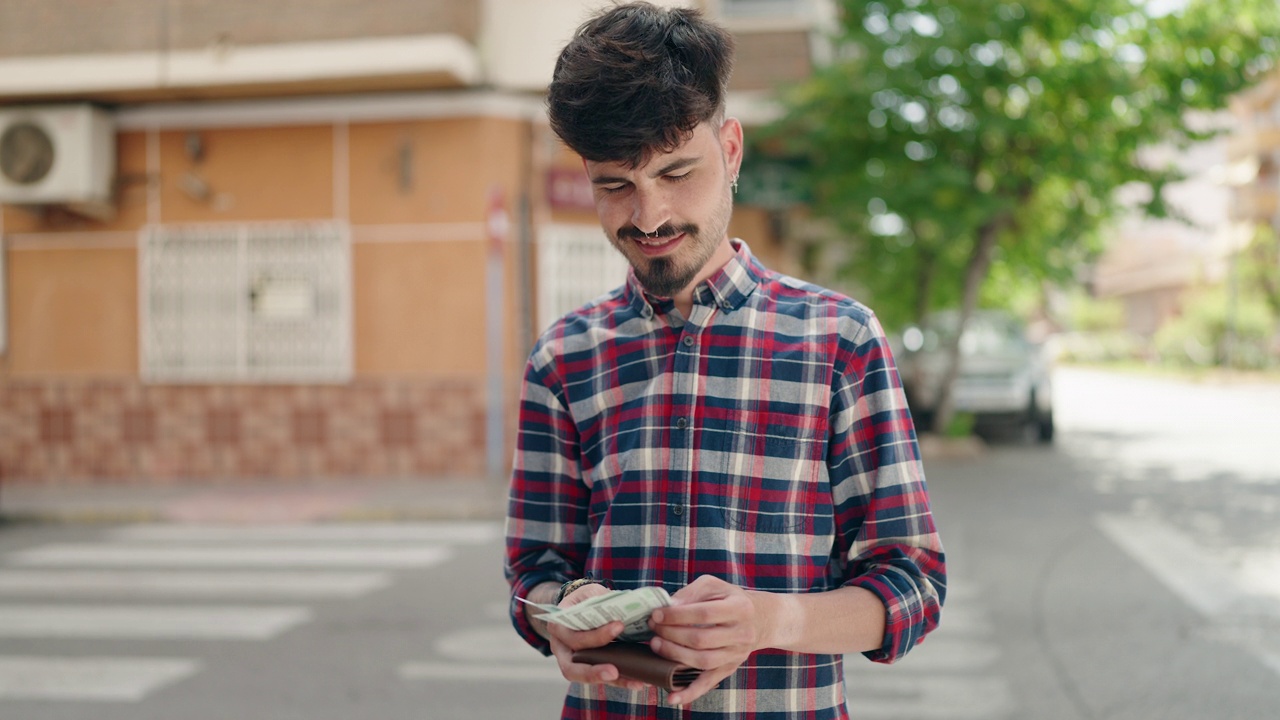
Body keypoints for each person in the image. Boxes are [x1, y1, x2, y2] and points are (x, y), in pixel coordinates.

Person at [504, 3, 945, 718]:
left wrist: (770, 621)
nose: (648, 215)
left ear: (732, 150)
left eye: (678, 172)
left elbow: (913, 584)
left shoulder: (841, 341)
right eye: (615, 184)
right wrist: (564, 608)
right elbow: (531, 577)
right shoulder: (562, 358)